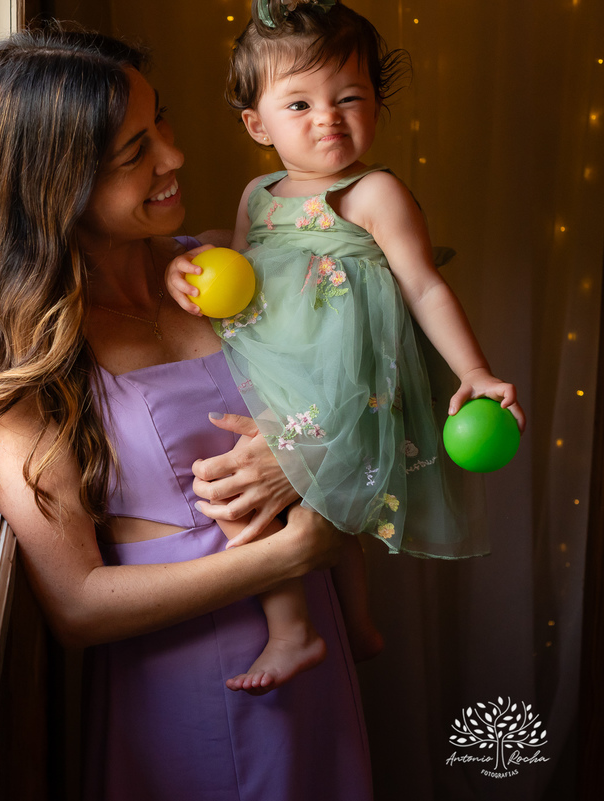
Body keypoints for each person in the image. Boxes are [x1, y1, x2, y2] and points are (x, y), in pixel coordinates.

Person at [0, 22, 373, 799]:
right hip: (192, 689)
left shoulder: (229, 268)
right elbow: (78, 606)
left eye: (162, 121)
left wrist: (313, 456)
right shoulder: (30, 367)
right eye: (135, 152)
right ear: (56, 186)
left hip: (317, 654)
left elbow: (378, 386)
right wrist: (288, 554)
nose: (175, 156)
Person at [166, 0, 527, 694]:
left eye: (349, 98)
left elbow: (423, 287)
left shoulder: (374, 192)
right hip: (267, 361)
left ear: (377, 107)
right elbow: (241, 279)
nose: (327, 117)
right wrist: (195, 263)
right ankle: (352, 624)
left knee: (301, 499)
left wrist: (475, 371)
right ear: (257, 124)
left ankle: (298, 629)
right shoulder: (258, 192)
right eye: (298, 103)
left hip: (338, 380)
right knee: (283, 494)